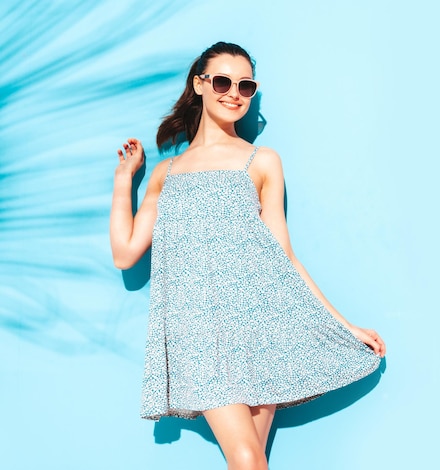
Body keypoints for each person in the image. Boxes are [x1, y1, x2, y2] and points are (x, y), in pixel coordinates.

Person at [110, 41, 386, 470]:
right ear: (199, 85)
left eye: (246, 85)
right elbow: (126, 254)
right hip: (198, 332)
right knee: (247, 459)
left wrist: (343, 325)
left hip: (261, 325)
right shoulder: (167, 173)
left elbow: (284, 258)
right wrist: (124, 181)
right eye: (222, 81)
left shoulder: (262, 161)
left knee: (251, 462)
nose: (234, 93)